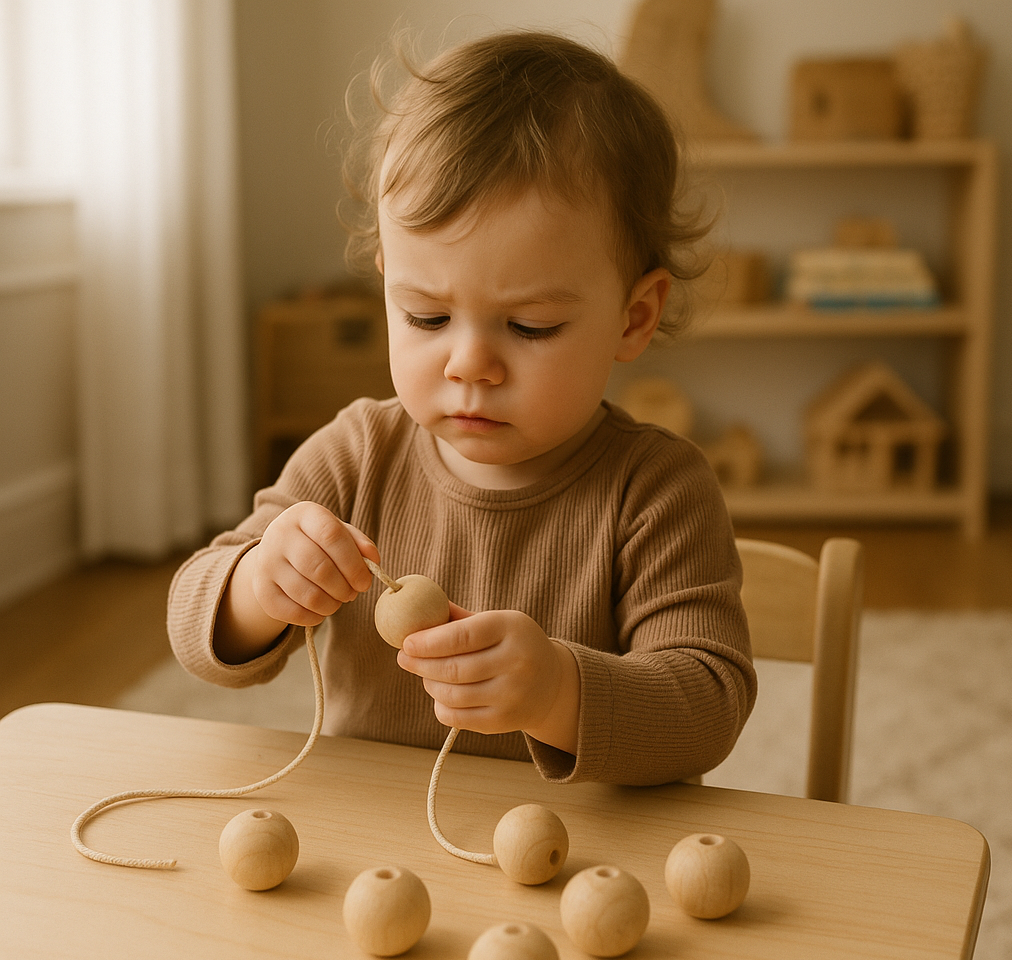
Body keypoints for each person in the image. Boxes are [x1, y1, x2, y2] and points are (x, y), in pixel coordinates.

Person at [168, 29, 755, 787]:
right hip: (376, 849)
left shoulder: (659, 491)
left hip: (576, 863)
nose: (468, 363)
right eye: (426, 317)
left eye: (531, 326)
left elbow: (708, 705)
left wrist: (556, 692)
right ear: (385, 283)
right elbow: (193, 622)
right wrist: (258, 586)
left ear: (634, 318)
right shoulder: (355, 456)